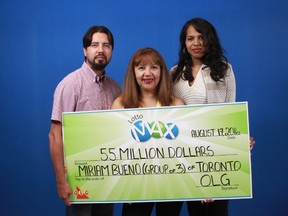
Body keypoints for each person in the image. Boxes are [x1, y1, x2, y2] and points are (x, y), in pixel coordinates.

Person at [170, 17, 255, 215]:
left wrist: (239, 140)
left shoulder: (224, 70)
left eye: (201, 37)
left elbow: (230, 113)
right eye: (190, 38)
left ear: (210, 40)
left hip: (214, 155)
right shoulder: (175, 72)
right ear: (184, 42)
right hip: (183, 155)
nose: (196, 43)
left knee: (214, 209)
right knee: (190, 209)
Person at [48, 25, 121, 216]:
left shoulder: (115, 89)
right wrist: (60, 181)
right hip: (79, 180)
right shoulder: (71, 84)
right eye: (95, 45)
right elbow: (55, 136)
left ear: (111, 50)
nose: (100, 50)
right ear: (85, 50)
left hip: (107, 180)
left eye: (106, 45)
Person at [111, 47, 184, 216]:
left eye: (154, 67)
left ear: (161, 72)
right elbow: (114, 149)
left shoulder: (176, 105)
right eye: (141, 68)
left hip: (170, 185)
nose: (148, 73)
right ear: (133, 73)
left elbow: (188, 148)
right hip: (135, 186)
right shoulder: (121, 105)